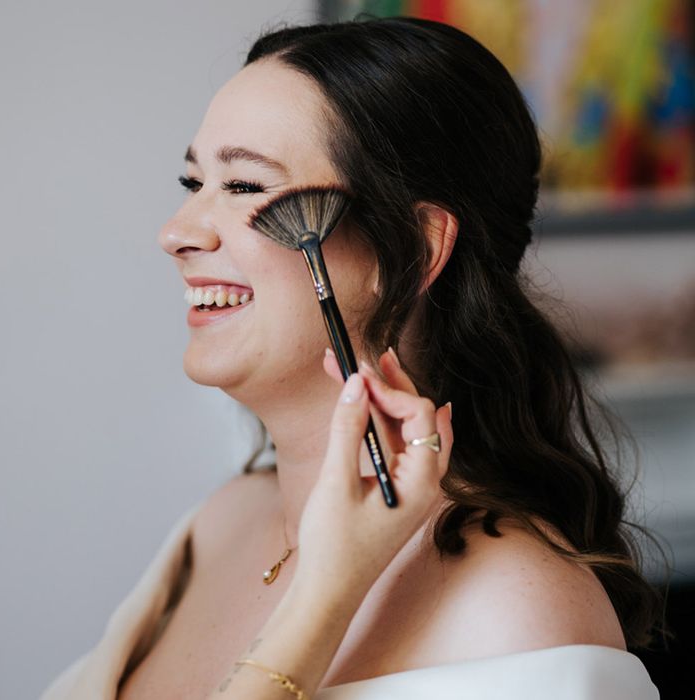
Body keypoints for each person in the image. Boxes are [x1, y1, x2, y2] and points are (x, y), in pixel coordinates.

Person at [41, 16, 662, 700]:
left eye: (245, 187)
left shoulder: (520, 612)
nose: (177, 232)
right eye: (195, 184)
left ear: (417, 249)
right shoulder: (220, 523)